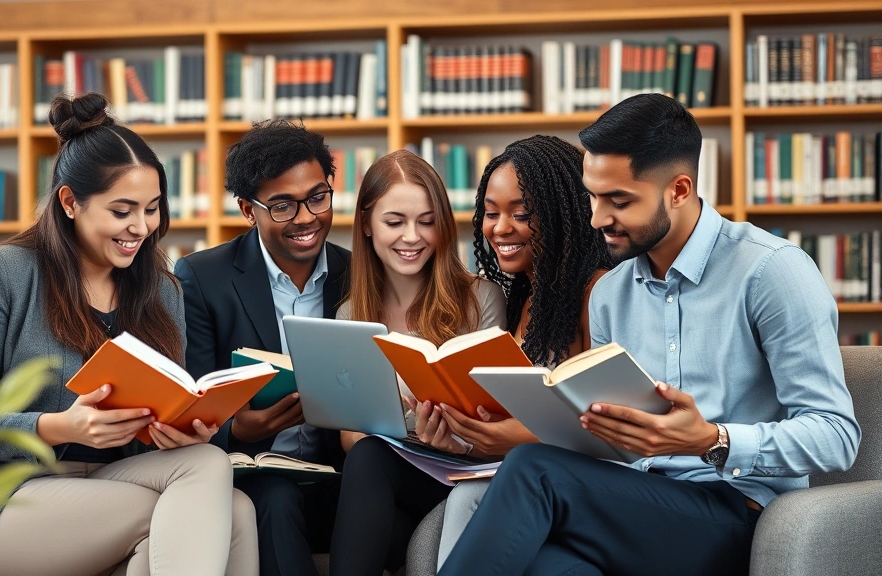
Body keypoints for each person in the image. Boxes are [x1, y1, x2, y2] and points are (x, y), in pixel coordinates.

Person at [438, 93, 861, 576]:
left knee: (533, 472)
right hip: (634, 506)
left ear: (679, 190)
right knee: (547, 567)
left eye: (619, 201)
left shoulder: (771, 272)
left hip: (735, 514)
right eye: (592, 197)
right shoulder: (611, 293)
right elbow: (606, 441)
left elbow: (836, 437)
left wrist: (710, 439)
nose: (597, 218)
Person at [0, 93, 257, 576]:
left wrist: (182, 430)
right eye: (122, 210)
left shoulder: (161, 291)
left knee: (227, 493)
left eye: (151, 209)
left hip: (107, 479)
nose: (141, 227)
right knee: (189, 516)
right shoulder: (1, 272)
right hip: (3, 498)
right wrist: (60, 426)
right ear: (70, 202)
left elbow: (158, 416)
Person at [174, 119, 350, 576]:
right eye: (282, 206)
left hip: (342, 471)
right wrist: (240, 430)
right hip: (253, 475)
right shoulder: (202, 278)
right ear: (247, 210)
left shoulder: (360, 273)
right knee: (274, 496)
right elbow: (190, 400)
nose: (307, 217)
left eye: (317, 196)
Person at [431, 135, 612, 570]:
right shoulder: (522, 295)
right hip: (520, 473)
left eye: (522, 213)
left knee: (468, 502)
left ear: (563, 212)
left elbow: (604, 424)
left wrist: (514, 438)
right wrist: (457, 434)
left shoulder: (598, 291)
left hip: (577, 484)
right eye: (490, 213)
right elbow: (513, 424)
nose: (500, 228)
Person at [328, 150, 506, 576]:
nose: (413, 237)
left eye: (427, 221)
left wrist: (454, 437)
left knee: (371, 461)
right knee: (368, 456)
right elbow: (351, 438)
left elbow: (500, 421)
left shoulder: (481, 299)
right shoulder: (351, 316)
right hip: (392, 484)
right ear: (367, 225)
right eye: (395, 222)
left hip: (464, 477)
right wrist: (407, 425)